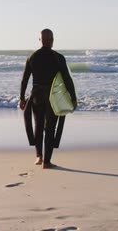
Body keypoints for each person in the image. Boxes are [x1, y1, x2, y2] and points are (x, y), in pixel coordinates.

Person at [19, 29, 77, 169]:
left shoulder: (32, 57)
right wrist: (73, 97)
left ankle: (39, 157)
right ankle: (47, 162)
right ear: (52, 40)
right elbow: (67, 79)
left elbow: (24, 79)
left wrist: (21, 97)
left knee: (38, 126)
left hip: (36, 95)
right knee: (50, 128)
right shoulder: (58, 57)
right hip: (52, 97)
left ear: (40, 40)